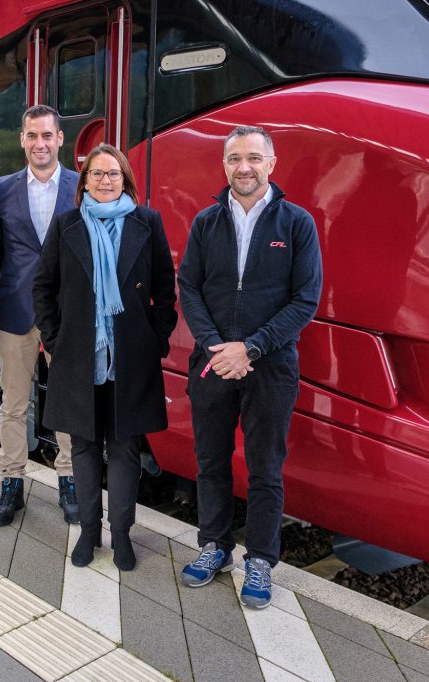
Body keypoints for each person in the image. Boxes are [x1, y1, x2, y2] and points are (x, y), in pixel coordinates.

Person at [177, 126, 322, 608]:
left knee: (265, 468)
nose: (245, 167)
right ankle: (214, 546)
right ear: (224, 165)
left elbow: (306, 300)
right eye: (235, 158)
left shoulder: (296, 223)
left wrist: (252, 349)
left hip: (271, 367)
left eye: (254, 158)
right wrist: (217, 346)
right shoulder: (206, 222)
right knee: (211, 462)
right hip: (213, 363)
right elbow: (189, 289)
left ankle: (259, 559)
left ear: (271, 164)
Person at [34, 143, 177, 571]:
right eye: (96, 174)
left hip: (131, 357)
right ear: (85, 181)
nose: (105, 181)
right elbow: (43, 287)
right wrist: (55, 342)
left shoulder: (146, 222)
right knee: (83, 447)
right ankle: (89, 534)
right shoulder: (67, 225)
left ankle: (122, 536)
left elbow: (166, 292)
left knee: (125, 448)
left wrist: (156, 340)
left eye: (113, 174)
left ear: (125, 179)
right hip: (80, 356)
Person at [0, 105, 80, 526]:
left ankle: (71, 482)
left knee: (70, 403)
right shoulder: (1, 189)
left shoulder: (82, 186)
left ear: (60, 139)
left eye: (47, 135)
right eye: (31, 136)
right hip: (17, 310)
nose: (40, 143)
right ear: (21, 140)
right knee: (13, 405)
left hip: (67, 315)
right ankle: (11, 483)